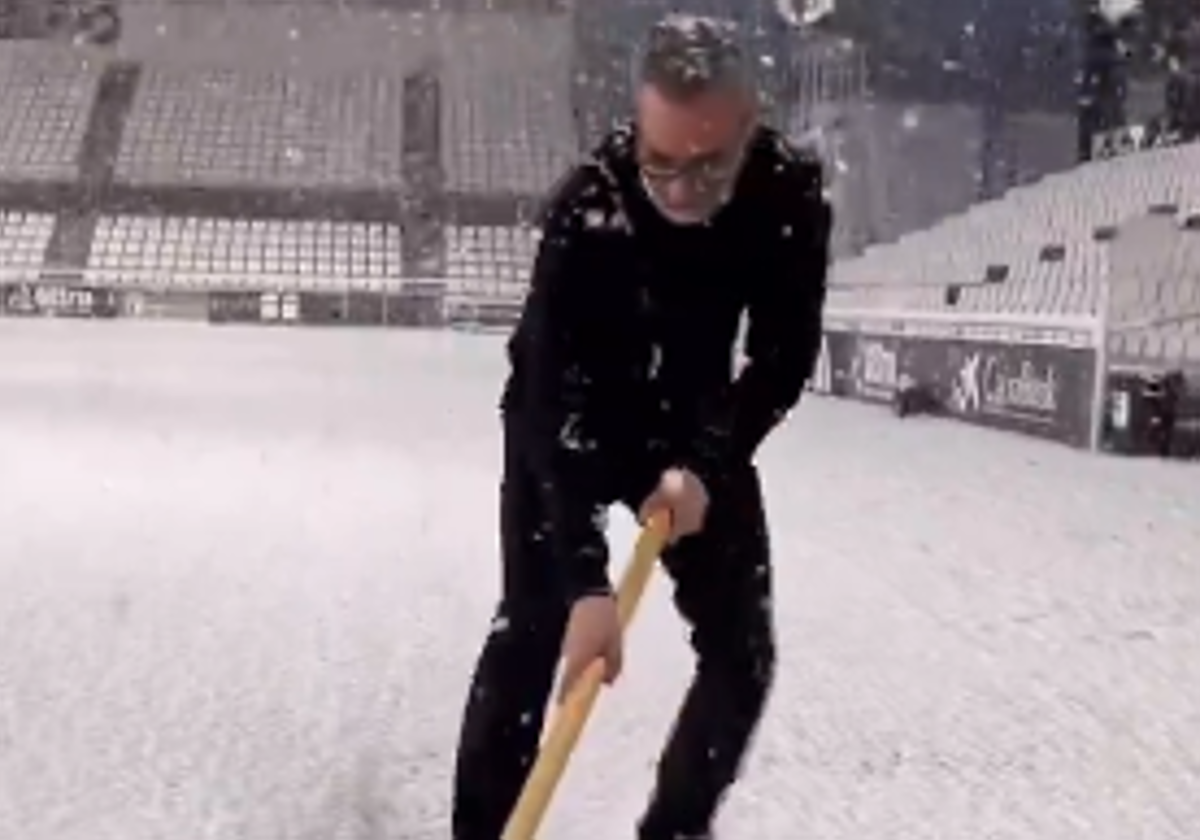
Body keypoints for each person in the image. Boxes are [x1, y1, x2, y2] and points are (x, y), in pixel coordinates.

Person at [452, 14, 832, 840]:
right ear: (637, 125)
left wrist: (706, 462)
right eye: (660, 164)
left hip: (695, 423)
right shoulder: (586, 208)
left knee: (742, 655)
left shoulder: (789, 192)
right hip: (570, 419)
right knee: (531, 629)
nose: (682, 190)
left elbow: (781, 356)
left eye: (708, 166)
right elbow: (547, 396)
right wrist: (587, 582)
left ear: (749, 124)